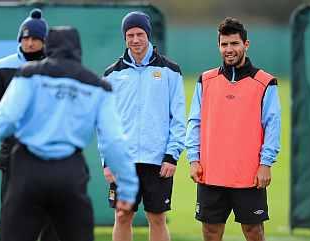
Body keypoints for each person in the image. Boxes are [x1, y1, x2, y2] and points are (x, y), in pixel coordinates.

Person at [0, 26, 138, 241]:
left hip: (27, 169)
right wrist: (128, 188)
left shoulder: (28, 74)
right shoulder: (99, 86)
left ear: (48, 46)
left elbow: (7, 118)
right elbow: (113, 140)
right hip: (70, 172)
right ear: (78, 50)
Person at [185, 17, 281, 241]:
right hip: (210, 173)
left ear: (246, 45)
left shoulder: (265, 82)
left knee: (253, 231)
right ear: (219, 46)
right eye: (224, 44)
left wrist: (265, 164)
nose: (229, 49)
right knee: (210, 231)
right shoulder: (205, 80)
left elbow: (272, 126)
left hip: (249, 175)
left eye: (234, 44)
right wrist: (193, 159)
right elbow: (194, 122)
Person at [101, 11, 186, 241]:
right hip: (123, 161)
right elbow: (105, 122)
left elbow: (178, 118)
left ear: (148, 34)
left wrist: (172, 156)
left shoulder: (170, 71)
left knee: (156, 217)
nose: (135, 39)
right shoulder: (112, 74)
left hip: (158, 161)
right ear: (124, 37)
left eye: (139, 34)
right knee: (122, 215)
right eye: (130, 35)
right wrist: (107, 161)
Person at [0, 8, 58, 241]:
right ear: (20, 40)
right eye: (26, 38)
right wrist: (9, 128)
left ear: (44, 41)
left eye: (35, 38)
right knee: (13, 216)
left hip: (49, 155)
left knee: (50, 218)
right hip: (13, 154)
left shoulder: (56, 67)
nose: (30, 42)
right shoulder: (2, 66)